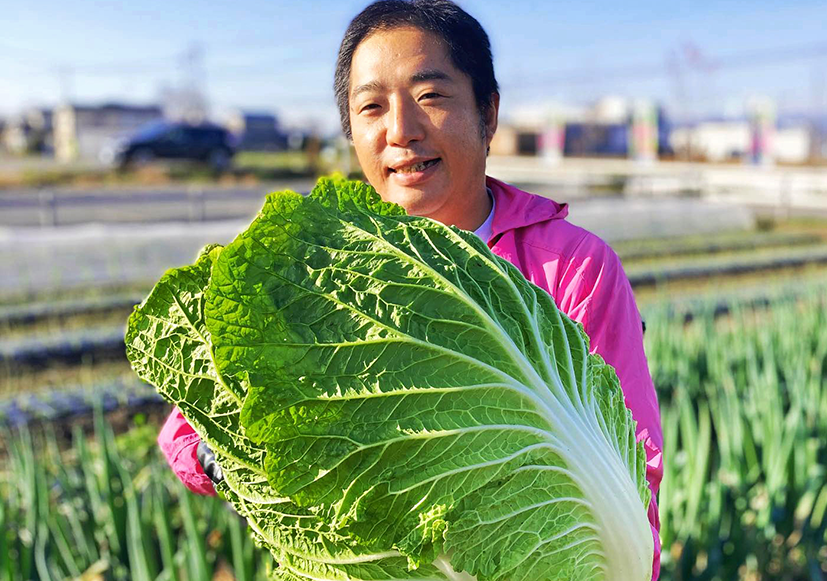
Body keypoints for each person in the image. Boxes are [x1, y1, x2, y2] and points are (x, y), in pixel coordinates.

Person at [158, 1, 663, 578]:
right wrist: (239, 461)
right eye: (372, 107)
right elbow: (186, 430)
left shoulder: (571, 266)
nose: (401, 130)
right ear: (353, 134)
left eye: (431, 96)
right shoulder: (312, 272)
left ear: (488, 113)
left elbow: (633, 471)